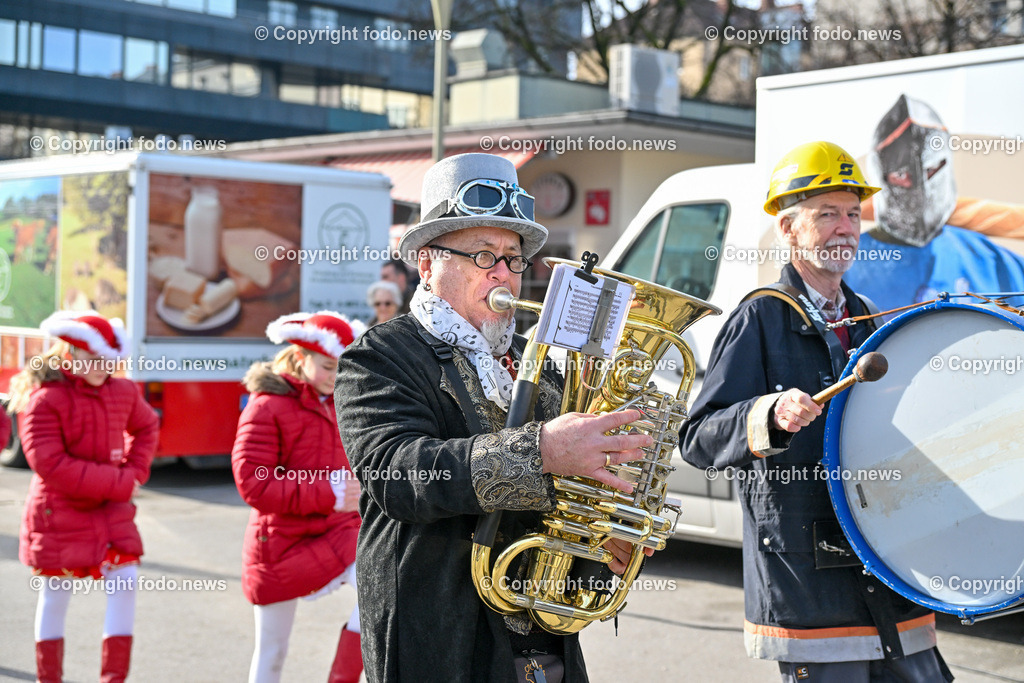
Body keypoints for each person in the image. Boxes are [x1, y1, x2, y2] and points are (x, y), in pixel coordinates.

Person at [334, 153, 653, 683]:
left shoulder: (539, 357)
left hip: (544, 640)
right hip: (437, 636)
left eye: (513, 258)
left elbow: (568, 500)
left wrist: (605, 545)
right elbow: (399, 473)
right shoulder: (380, 356)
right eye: (484, 255)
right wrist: (542, 450)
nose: (505, 273)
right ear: (429, 262)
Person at [679, 142, 952, 682]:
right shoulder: (757, 317)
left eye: (852, 213)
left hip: (889, 573)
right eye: (827, 214)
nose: (846, 227)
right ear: (787, 229)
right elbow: (698, 439)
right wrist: (766, 414)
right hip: (809, 588)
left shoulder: (873, 319)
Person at [10, 311, 158, 683]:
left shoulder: (122, 390)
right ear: (70, 353)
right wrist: (120, 481)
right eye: (91, 358)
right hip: (58, 513)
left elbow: (147, 424)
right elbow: (50, 464)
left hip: (111, 513)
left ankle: (113, 678)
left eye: (108, 359)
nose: (101, 366)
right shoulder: (45, 399)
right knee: (55, 596)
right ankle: (49, 678)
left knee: (125, 584)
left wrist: (136, 471)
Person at [232, 311, 366, 683]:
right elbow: (253, 483)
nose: (336, 377)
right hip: (278, 544)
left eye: (341, 367)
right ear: (299, 355)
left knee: (378, 592)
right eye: (327, 366)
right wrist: (330, 493)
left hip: (339, 533)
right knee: (272, 653)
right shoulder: (265, 405)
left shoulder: (342, 402)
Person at [845, 94, 1024, 310]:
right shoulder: (843, 266)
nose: (921, 189)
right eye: (902, 175)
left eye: (931, 171)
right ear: (880, 173)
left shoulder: (995, 263)